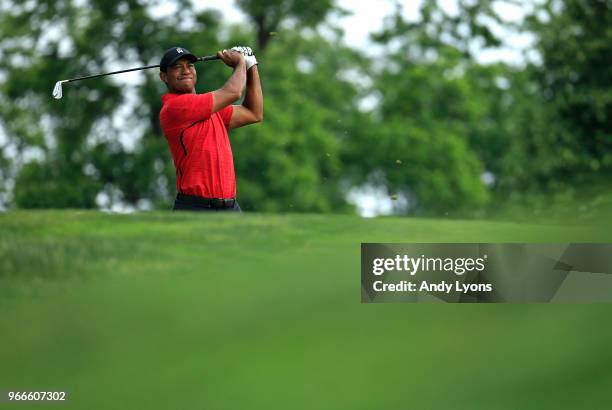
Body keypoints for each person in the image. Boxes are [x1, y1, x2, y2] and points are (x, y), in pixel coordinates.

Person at [158, 46, 263, 212]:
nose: (185, 71)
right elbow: (234, 92)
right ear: (163, 76)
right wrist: (240, 62)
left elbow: (253, 113)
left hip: (230, 207)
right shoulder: (175, 107)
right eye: (177, 67)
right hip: (195, 207)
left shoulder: (209, 108)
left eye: (190, 65)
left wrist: (251, 66)